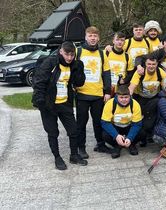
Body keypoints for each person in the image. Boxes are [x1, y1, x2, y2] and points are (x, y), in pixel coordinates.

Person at [32, 41, 88, 170]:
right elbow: (39, 82)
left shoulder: (74, 64)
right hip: (48, 104)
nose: (69, 58)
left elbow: (79, 83)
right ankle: (57, 157)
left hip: (65, 103)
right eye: (67, 54)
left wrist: (80, 68)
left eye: (72, 55)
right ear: (60, 51)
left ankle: (74, 155)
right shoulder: (50, 62)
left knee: (73, 131)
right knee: (53, 132)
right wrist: (41, 102)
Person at [76, 26, 112, 158]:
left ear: (98, 38)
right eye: (90, 36)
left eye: (95, 36)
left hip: (98, 95)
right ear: (86, 37)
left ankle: (100, 144)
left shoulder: (102, 54)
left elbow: (107, 74)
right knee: (81, 123)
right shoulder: (78, 52)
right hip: (82, 94)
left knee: (98, 122)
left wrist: (107, 92)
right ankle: (81, 147)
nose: (93, 38)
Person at [128, 56, 166, 147]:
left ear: (157, 64)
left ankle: (150, 135)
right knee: (140, 118)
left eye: (153, 64)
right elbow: (132, 87)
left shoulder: (160, 72)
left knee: (151, 118)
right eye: (149, 64)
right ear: (145, 64)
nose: (151, 66)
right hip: (140, 97)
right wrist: (127, 99)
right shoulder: (140, 72)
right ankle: (140, 137)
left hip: (154, 97)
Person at [101, 84, 143, 158]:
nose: (124, 100)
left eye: (126, 97)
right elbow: (105, 123)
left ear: (130, 96)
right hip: (116, 127)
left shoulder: (135, 104)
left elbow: (137, 124)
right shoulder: (110, 103)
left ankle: (131, 144)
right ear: (117, 96)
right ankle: (117, 145)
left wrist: (130, 137)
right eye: (121, 97)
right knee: (105, 135)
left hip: (129, 126)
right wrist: (116, 136)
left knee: (142, 132)